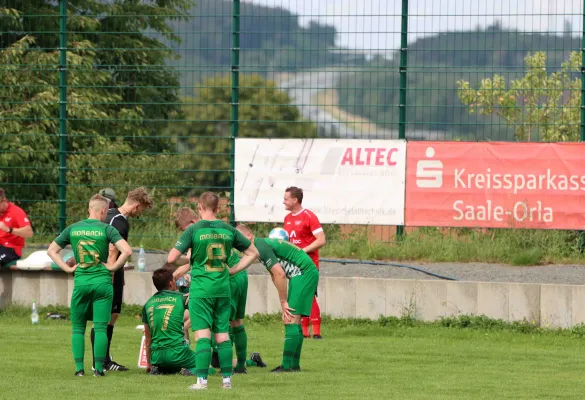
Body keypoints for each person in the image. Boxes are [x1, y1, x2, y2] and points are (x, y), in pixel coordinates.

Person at [167, 192, 259, 390]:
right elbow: (253, 253)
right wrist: (233, 270)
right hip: (223, 289)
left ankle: (202, 381)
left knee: (202, 335)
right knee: (223, 334)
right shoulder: (229, 230)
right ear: (217, 208)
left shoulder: (194, 230)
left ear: (199, 208)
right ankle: (227, 381)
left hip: (201, 289)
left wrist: (189, 260)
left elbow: (171, 258)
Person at [47, 194, 132, 377]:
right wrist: (113, 267)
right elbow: (126, 251)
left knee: (78, 328)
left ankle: (79, 369)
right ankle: (99, 370)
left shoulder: (73, 228)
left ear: (89, 209)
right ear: (104, 210)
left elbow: (52, 250)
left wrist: (67, 269)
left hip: (81, 282)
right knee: (100, 327)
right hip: (102, 283)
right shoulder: (107, 229)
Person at [231, 224, 319, 372]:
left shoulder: (261, 246)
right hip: (304, 273)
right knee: (295, 320)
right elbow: (275, 275)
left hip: (303, 273)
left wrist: (283, 302)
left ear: (249, 236)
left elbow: (280, 274)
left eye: (239, 241)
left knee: (290, 318)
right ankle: (294, 365)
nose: (239, 247)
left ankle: (286, 366)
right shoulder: (261, 246)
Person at [91, 187, 154, 372]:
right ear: (136, 206)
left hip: (103, 270)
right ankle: (101, 361)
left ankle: (102, 359)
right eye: (142, 209)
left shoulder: (110, 214)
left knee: (109, 315)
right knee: (107, 317)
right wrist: (110, 278)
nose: (140, 213)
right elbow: (113, 250)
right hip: (109, 272)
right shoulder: (119, 222)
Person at [142, 267, 215, 377]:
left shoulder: (148, 304)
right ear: (171, 283)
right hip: (177, 353)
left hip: (156, 357)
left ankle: (159, 369)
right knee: (208, 368)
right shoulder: (181, 297)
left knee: (170, 365)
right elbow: (203, 308)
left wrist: (149, 364)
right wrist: (194, 291)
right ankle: (190, 371)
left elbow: (148, 338)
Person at [282, 186, 326, 339]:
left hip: (309, 264)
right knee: (298, 296)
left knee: (309, 296)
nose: (283, 202)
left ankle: (317, 332)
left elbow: (321, 240)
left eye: (286, 199)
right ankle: (304, 332)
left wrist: (302, 251)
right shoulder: (287, 219)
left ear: (295, 200)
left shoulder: (309, 216)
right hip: (293, 265)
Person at [0, 188, 33, 268]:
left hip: (11, 249)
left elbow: (29, 233)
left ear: (4, 200)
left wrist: (9, 229)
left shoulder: (16, 211)